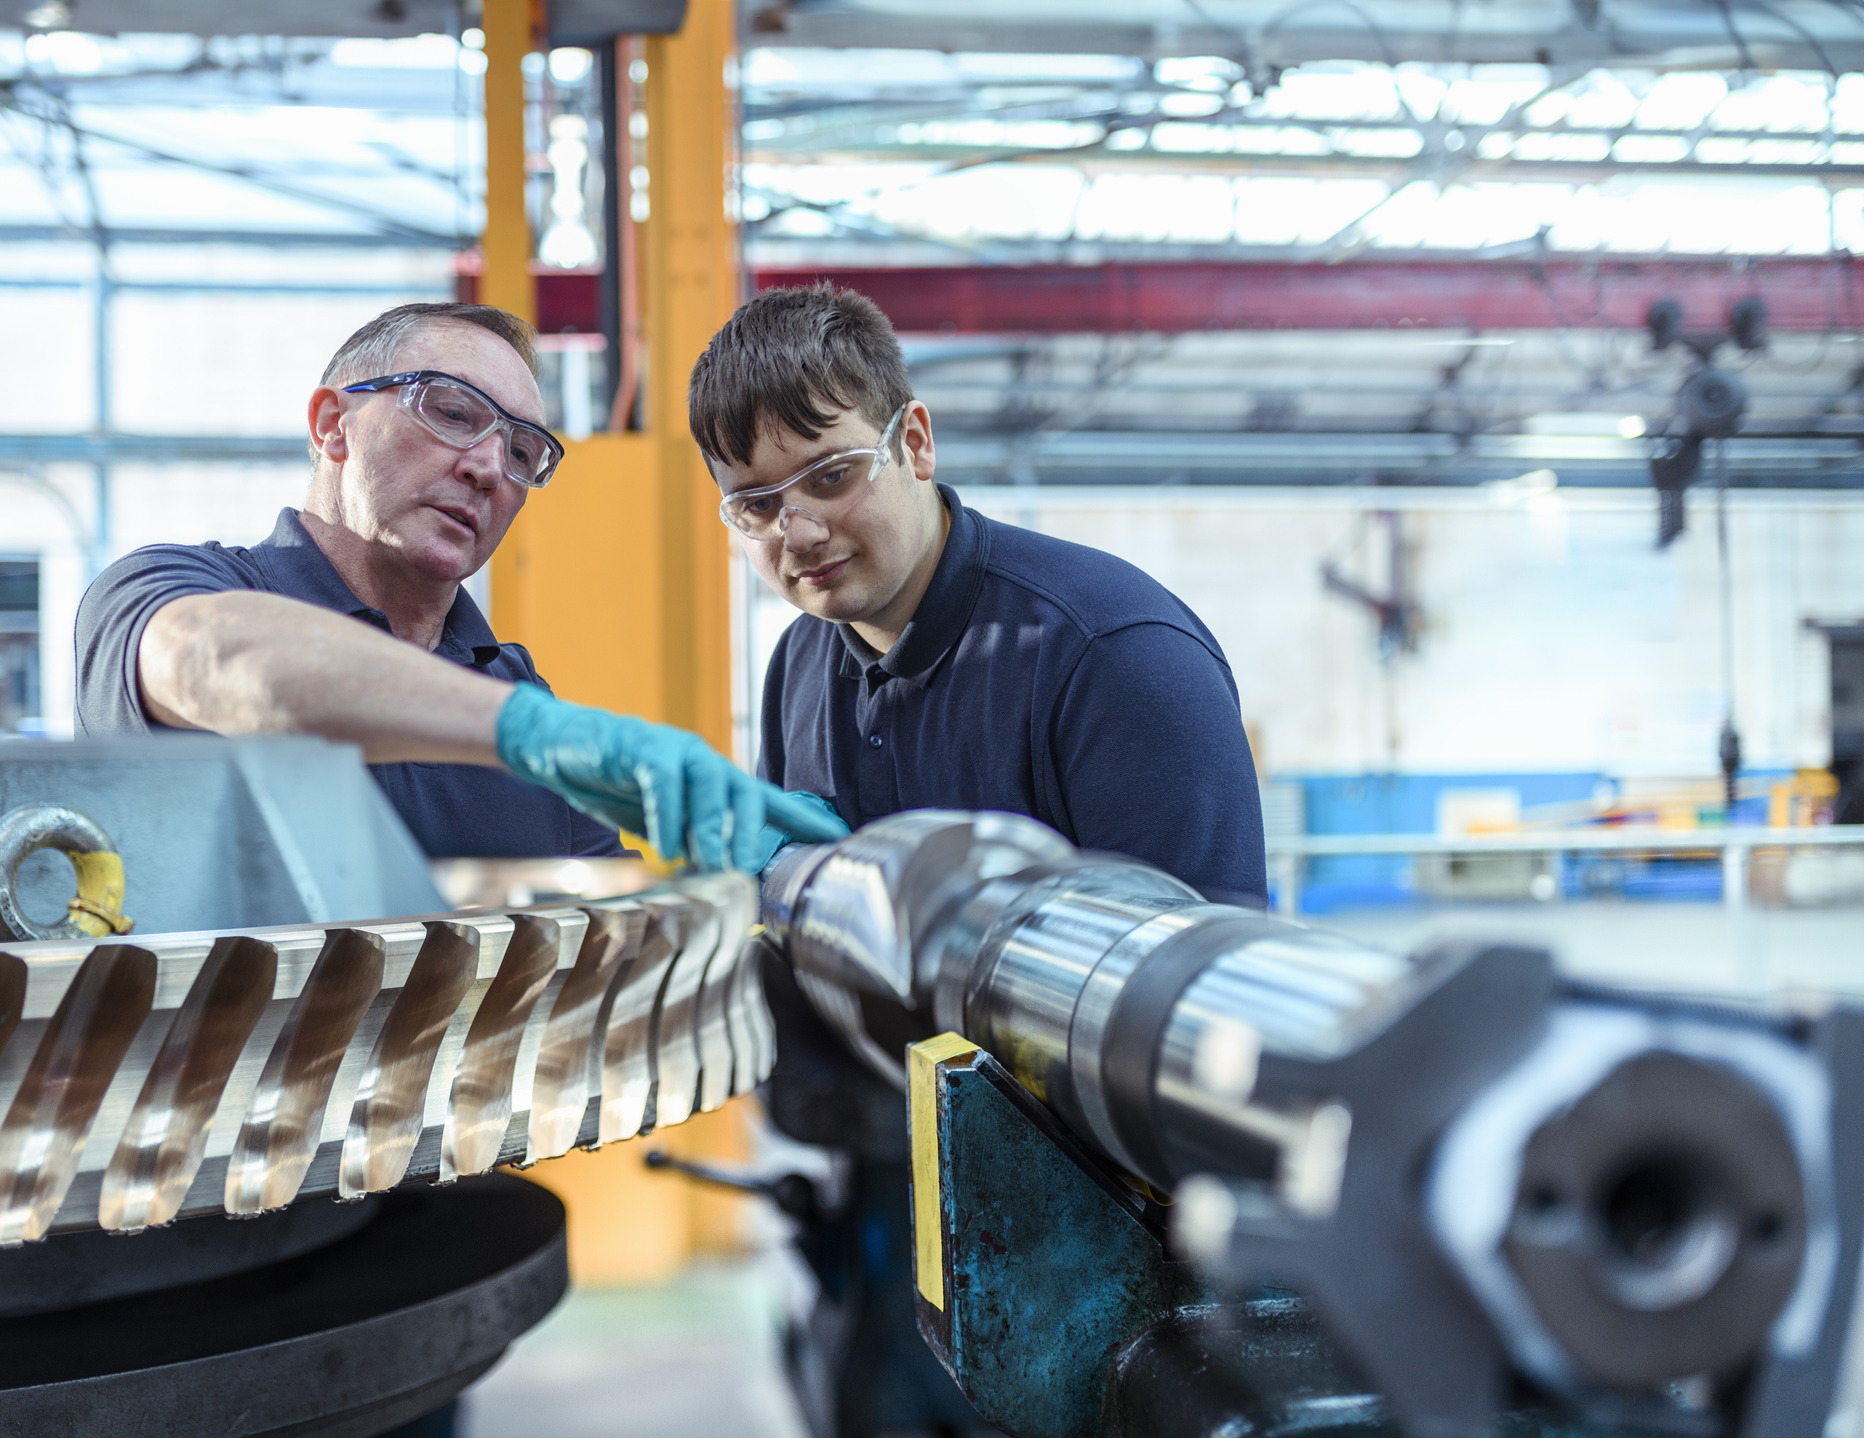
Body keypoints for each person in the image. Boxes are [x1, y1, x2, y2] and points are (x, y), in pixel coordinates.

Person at [687, 283, 1265, 1438]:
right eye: (751, 505)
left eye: (828, 474)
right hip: (881, 1189)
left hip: (1096, 1221)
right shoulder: (801, 662)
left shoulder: (1109, 654)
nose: (791, 532)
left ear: (912, 439)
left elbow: (1211, 1017)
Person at [76, 301, 844, 875]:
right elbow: (216, 662)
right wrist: (528, 734)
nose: (486, 467)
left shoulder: (512, 688)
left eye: (521, 450)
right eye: (449, 410)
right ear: (331, 425)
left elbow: (614, 944)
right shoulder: (166, 589)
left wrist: (760, 884)